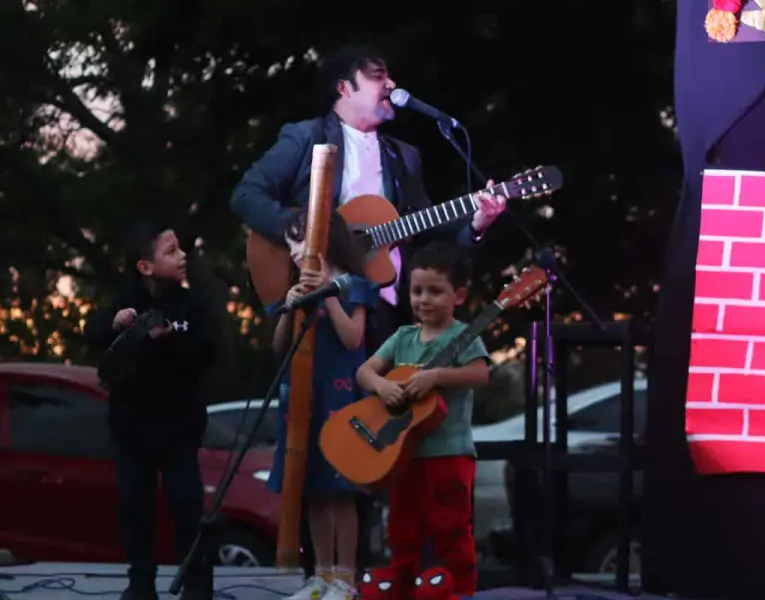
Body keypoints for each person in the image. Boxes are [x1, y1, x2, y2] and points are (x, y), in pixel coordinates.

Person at [230, 44, 507, 350]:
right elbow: (246, 194)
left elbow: (428, 227)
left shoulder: (403, 156)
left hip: (384, 303)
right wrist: (307, 232)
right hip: (319, 295)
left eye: (390, 77)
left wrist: (477, 223)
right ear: (344, 88)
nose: (391, 85)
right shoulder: (307, 136)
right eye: (378, 76)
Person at [83, 222, 217, 600]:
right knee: (135, 507)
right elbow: (92, 332)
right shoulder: (124, 298)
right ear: (145, 266)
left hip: (179, 427)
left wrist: (171, 339)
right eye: (171, 251)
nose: (182, 256)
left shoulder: (191, 302)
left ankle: (196, 583)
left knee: (187, 505)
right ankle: (140, 583)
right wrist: (117, 323)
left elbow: (207, 353)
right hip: (133, 429)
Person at [355, 241, 491, 599]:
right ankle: (401, 588)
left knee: (451, 527)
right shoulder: (402, 338)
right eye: (416, 291)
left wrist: (437, 377)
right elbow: (365, 372)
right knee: (402, 529)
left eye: (435, 291)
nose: (423, 299)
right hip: (403, 456)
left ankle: (461, 589)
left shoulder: (462, 337)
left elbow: (480, 375)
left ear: (458, 296)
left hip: (449, 453)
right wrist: (383, 387)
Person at [267, 209, 378, 600]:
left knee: (341, 489)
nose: (296, 251)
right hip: (302, 396)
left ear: (324, 238)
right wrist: (291, 305)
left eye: (301, 239)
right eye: (291, 243)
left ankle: (345, 579)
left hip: (341, 395)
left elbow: (353, 339)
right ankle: (321, 575)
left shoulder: (356, 286)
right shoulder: (293, 287)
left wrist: (328, 294)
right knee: (311, 487)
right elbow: (279, 345)